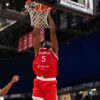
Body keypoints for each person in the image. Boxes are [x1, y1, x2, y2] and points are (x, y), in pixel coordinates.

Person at [32, 9, 58, 100]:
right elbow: (35, 35)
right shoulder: (38, 51)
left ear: (51, 45)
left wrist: (49, 15)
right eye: (45, 41)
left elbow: (53, 33)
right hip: (38, 81)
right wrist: (39, 15)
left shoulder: (54, 51)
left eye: (48, 41)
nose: (47, 41)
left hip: (50, 83)